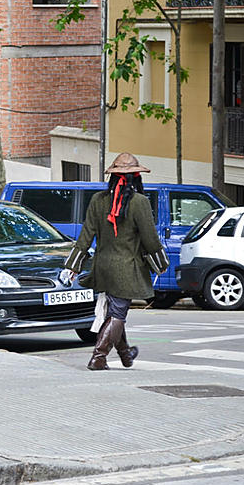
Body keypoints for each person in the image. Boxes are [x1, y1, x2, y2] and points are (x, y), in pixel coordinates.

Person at [60, 152, 163, 370]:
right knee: (118, 314)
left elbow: (85, 237)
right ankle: (98, 357)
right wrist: (161, 265)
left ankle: (126, 355)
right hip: (126, 269)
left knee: (114, 312)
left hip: (102, 267)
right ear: (137, 177)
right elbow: (150, 239)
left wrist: (72, 266)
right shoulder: (140, 202)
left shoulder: (98, 200)